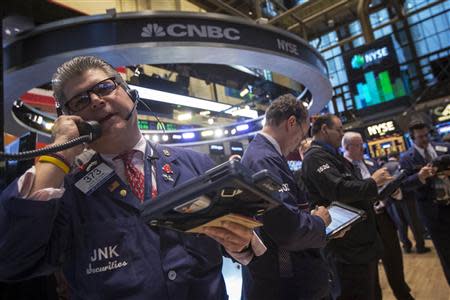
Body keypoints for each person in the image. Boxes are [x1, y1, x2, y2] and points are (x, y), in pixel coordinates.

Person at [0, 56, 261, 299]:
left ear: (130, 93)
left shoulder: (197, 164)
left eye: (104, 87)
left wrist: (242, 246)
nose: (95, 101)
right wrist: (61, 150)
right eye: (80, 101)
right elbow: (12, 260)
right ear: (70, 119)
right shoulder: (67, 192)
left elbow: (247, 244)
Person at [240, 94, 331, 300]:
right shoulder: (263, 160)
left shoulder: (263, 155)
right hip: (285, 282)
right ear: (291, 122)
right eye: (302, 134)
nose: (300, 141)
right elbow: (288, 230)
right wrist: (319, 222)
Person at [301, 114, 392, 300]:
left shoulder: (332, 156)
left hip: (362, 245)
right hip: (346, 249)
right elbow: (338, 189)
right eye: (339, 130)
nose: (342, 135)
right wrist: (372, 183)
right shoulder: (315, 157)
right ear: (324, 129)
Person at [342, 132, 414, 300]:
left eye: (362, 144)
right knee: (371, 272)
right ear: (347, 147)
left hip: (384, 218)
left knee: (395, 261)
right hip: (364, 224)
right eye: (358, 145)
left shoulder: (369, 161)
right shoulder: (342, 169)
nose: (363, 148)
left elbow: (385, 184)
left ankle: (403, 294)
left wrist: (393, 189)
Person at [400, 119, 450, 285]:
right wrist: (420, 177)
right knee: (445, 253)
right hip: (432, 212)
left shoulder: (443, 148)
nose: (424, 139)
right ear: (412, 138)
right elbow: (404, 185)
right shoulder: (406, 158)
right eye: (420, 137)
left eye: (426, 135)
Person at [383, 153, 428, 254]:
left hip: (392, 200)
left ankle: (406, 247)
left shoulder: (383, 168)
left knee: (400, 225)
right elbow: (407, 180)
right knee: (414, 223)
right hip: (408, 197)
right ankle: (420, 247)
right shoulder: (401, 164)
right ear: (397, 156)